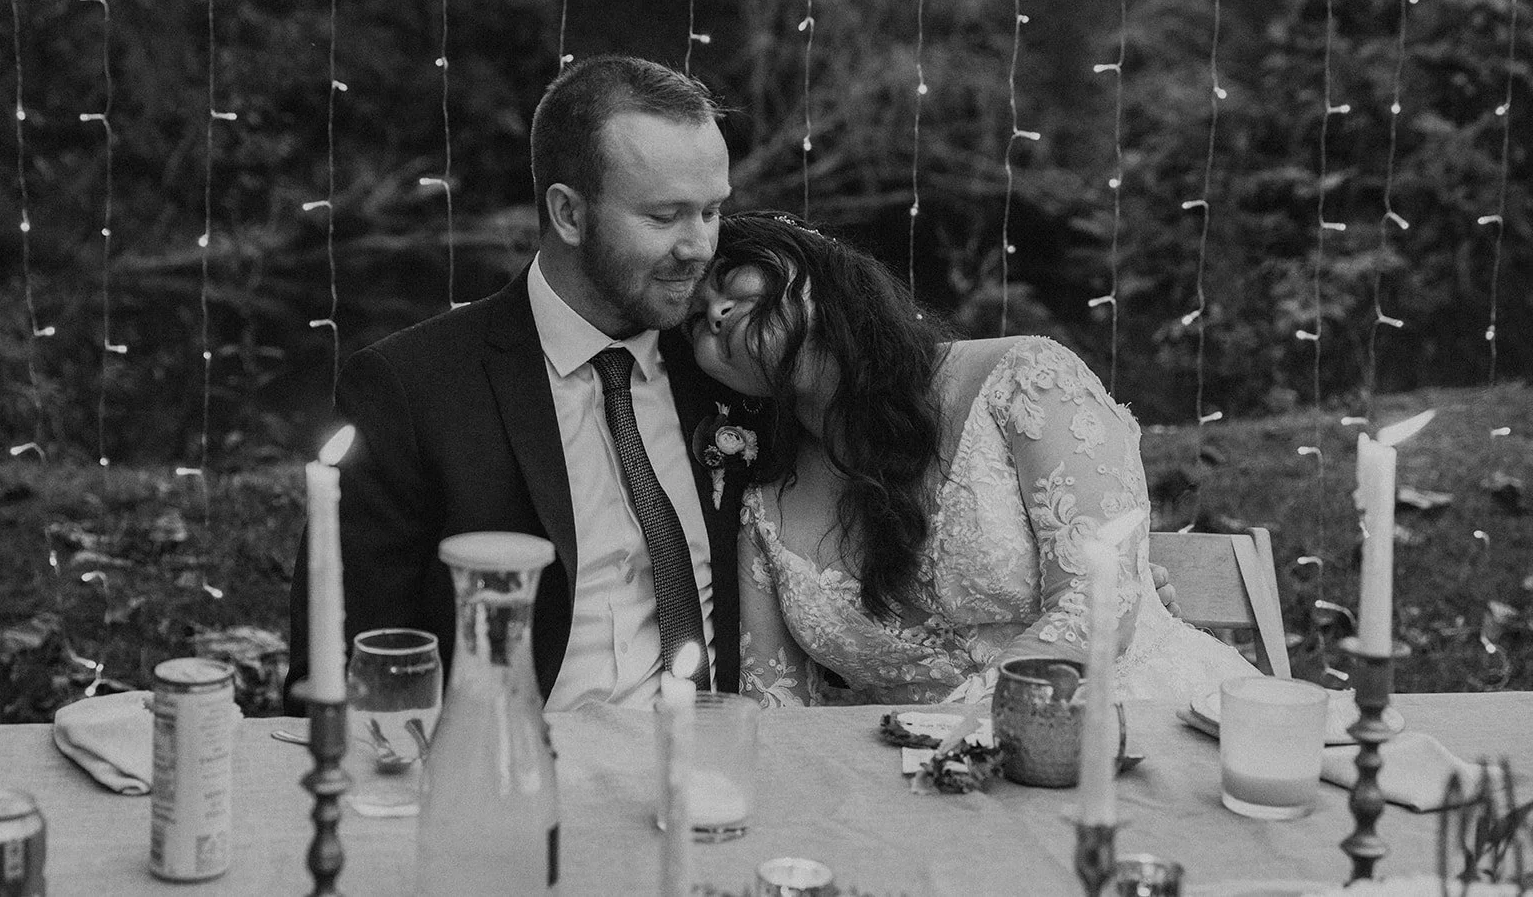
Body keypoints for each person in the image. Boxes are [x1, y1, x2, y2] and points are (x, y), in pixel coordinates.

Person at [286, 55, 744, 712]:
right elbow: (338, 673)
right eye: (665, 216)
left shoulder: (726, 358)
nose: (699, 246)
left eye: (712, 211)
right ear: (568, 213)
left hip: (714, 772)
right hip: (514, 779)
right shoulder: (411, 391)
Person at [687, 211, 1260, 706]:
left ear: (808, 264)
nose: (714, 311)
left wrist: (945, 740)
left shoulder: (1027, 380)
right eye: (693, 319)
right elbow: (778, 716)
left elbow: (1097, 606)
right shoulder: (763, 509)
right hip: (915, 795)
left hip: (1131, 729)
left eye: (723, 276)